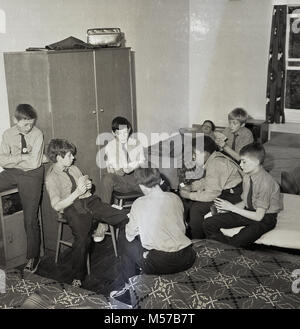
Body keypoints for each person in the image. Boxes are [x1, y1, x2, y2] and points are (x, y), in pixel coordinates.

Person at [45, 139, 128, 287]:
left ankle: (132, 259)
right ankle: (78, 276)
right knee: (82, 240)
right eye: (70, 156)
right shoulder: (51, 177)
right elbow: (57, 205)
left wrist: (88, 185)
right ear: (59, 158)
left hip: (89, 201)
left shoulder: (74, 169)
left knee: (122, 217)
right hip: (70, 207)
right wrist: (77, 193)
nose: (73, 158)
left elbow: (87, 190)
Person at [110, 168, 196, 307]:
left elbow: (130, 235)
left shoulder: (139, 203)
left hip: (160, 264)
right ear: (159, 180)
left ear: (142, 186)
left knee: (124, 237)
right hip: (187, 257)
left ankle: (130, 290)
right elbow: (181, 225)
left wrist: (135, 223)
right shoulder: (175, 197)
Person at [204, 142, 283, 248]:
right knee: (208, 223)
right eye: (241, 161)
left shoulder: (266, 183)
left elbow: (258, 217)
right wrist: (226, 210)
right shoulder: (247, 176)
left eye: (244, 162)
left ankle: (225, 249)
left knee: (237, 241)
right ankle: (223, 248)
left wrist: (231, 208)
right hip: (249, 210)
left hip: (265, 217)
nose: (240, 165)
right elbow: (245, 202)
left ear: (256, 162)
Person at [0, 104, 44, 273]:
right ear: (15, 120)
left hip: (32, 175)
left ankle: (33, 257)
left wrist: (13, 158)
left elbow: (34, 163)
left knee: (30, 218)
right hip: (12, 172)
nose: (28, 128)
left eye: (31, 124)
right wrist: (22, 157)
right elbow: (2, 161)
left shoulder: (38, 133)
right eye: (25, 124)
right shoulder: (7, 134)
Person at [179, 135, 243, 239]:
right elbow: (208, 181)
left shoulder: (216, 164)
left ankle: (198, 241)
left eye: (194, 154)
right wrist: (192, 187)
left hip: (236, 194)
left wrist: (189, 195)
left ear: (205, 153)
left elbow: (211, 194)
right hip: (229, 190)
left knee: (197, 209)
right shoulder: (214, 157)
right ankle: (191, 230)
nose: (192, 157)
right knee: (193, 203)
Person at [99, 116, 145, 204]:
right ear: (114, 133)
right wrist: (116, 169)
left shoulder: (136, 143)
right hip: (121, 182)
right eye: (119, 133)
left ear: (129, 130)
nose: (123, 136)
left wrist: (135, 166)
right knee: (107, 178)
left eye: (125, 132)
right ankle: (104, 211)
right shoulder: (110, 146)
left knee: (155, 180)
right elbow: (112, 168)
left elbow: (142, 162)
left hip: (137, 180)